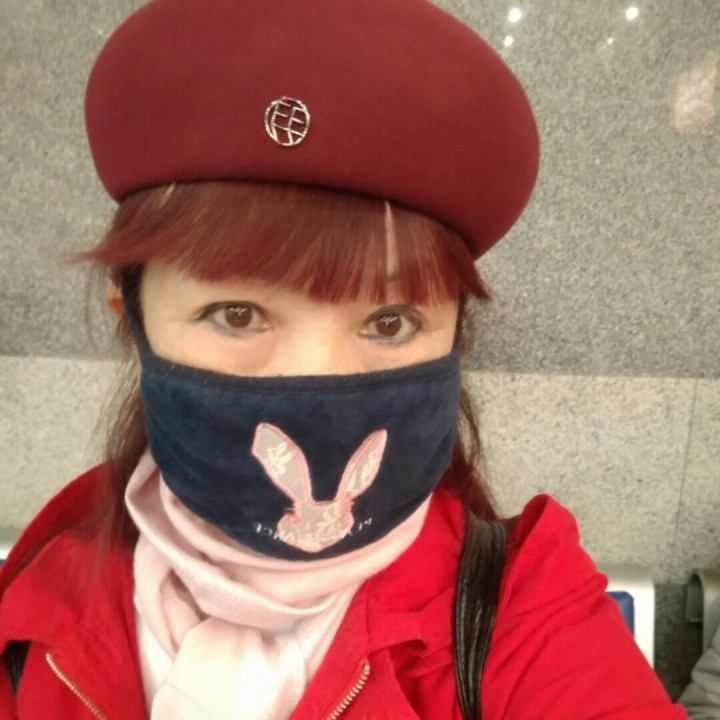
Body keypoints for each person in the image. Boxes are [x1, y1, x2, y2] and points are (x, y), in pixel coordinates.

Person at [0, 0, 687, 717]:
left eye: (389, 321)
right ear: (132, 317)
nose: (316, 376)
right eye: (237, 314)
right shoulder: (34, 604)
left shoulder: (521, 609)